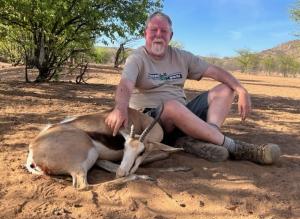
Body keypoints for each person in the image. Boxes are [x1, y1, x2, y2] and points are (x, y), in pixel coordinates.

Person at [105, 11, 281, 164]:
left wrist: (241, 89)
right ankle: (236, 147)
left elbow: (214, 70)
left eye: (164, 31)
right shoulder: (136, 58)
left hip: (182, 115)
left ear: (170, 36)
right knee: (172, 106)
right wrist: (120, 109)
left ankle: (205, 137)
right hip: (151, 122)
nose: (158, 35)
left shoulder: (182, 57)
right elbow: (125, 86)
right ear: (145, 33)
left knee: (226, 88)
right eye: (154, 30)